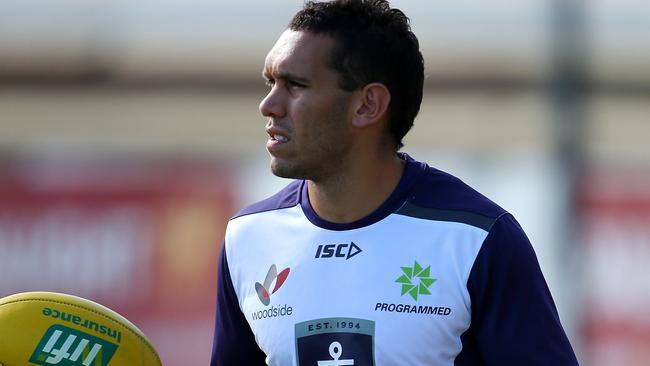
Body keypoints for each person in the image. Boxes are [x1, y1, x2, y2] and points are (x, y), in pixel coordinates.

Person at [211, 0, 578, 365]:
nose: (269, 105)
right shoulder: (248, 237)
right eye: (270, 82)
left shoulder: (475, 238)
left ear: (368, 105)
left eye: (295, 85)